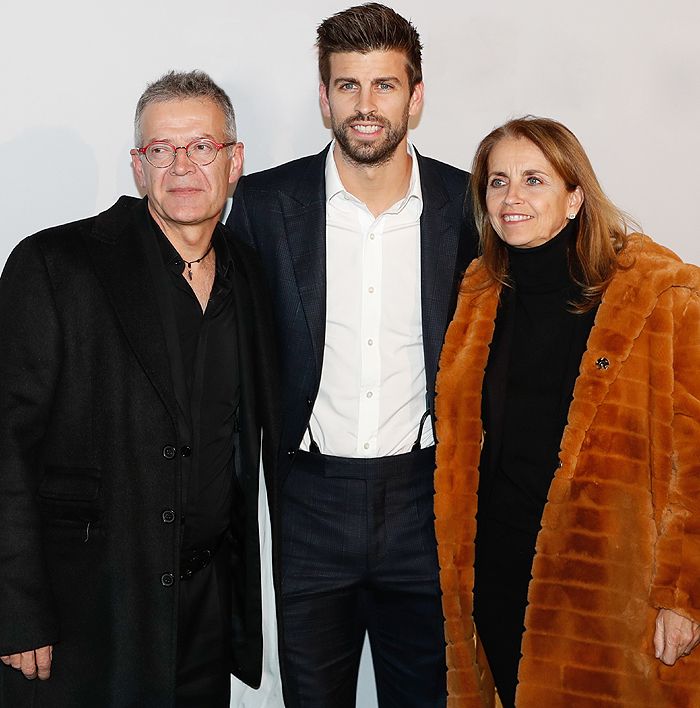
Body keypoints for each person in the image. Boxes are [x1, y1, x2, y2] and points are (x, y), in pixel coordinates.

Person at [0, 70, 280, 708]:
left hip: (206, 608)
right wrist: (15, 610)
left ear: (234, 162)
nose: (183, 164)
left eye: (201, 147)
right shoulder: (55, 265)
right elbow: (5, 444)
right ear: (138, 165)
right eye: (162, 149)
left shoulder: (251, 275)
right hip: (88, 614)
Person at [228, 4, 477, 706]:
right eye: (347, 86)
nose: (365, 107)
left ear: (416, 97)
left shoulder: (467, 207)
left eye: (384, 85)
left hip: (427, 503)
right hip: (308, 502)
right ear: (323, 97)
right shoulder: (264, 205)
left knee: (430, 697)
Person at [433, 115, 700, 707]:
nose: (512, 198)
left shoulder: (661, 296)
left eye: (534, 180)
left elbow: (697, 460)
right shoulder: (477, 295)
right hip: (498, 571)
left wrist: (684, 594)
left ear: (575, 195)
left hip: (608, 578)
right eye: (497, 182)